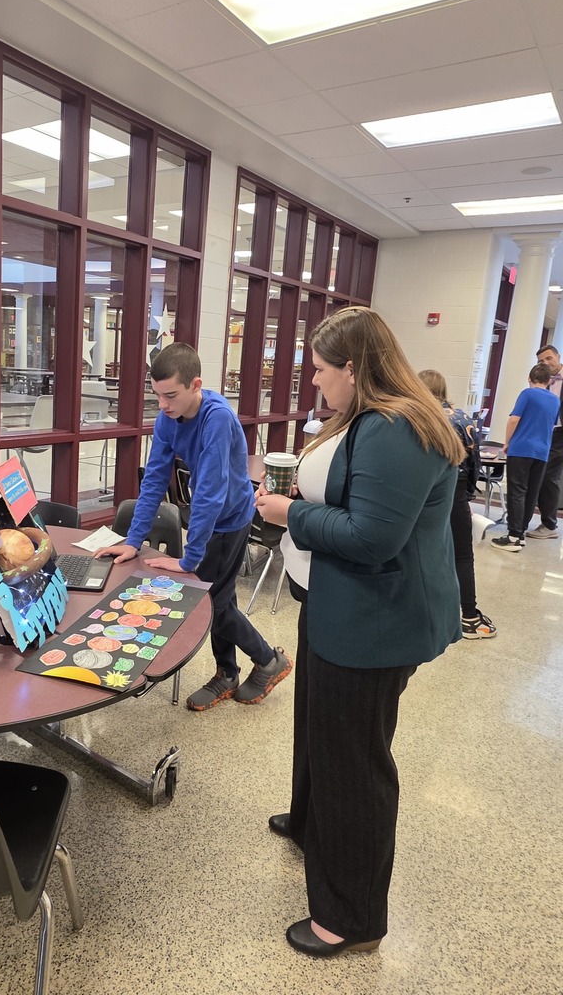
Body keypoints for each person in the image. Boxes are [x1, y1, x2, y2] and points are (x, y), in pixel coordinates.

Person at [254, 307, 463, 958]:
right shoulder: (367, 417)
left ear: (353, 367)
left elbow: (373, 539)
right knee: (319, 731)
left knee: (356, 763)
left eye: (320, 370)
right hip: (337, 607)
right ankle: (316, 826)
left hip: (374, 623)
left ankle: (350, 917)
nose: (314, 382)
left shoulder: (398, 429)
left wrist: (291, 513)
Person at [95, 342, 292, 710]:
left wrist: (189, 559)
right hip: (211, 516)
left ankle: (267, 661)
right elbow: (154, 479)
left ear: (195, 385)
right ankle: (229, 672)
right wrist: (133, 540)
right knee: (220, 598)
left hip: (230, 519)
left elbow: (210, 493)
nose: (164, 405)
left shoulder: (217, 417)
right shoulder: (167, 420)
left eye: (171, 395)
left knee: (211, 601)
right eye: (157, 396)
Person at [418, 370, 496, 639]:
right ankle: (469, 616)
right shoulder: (463, 418)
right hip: (457, 489)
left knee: (422, 550)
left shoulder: (417, 419)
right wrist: (468, 494)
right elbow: (475, 462)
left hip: (423, 492)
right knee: (462, 554)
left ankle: (423, 608)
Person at [491, 363, 559, 553]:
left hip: (521, 449)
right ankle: (520, 535)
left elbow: (514, 419)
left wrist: (506, 442)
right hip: (542, 452)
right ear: (549, 381)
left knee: (517, 491)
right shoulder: (555, 400)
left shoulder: (527, 394)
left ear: (529, 379)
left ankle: (513, 536)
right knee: (531, 493)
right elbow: (551, 424)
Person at [526, 344, 563, 539]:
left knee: (549, 477)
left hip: (559, 434)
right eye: (541, 361)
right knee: (537, 475)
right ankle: (525, 520)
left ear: (558, 356)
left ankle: (549, 525)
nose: (546, 363)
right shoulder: (542, 380)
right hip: (541, 432)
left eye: (549, 358)